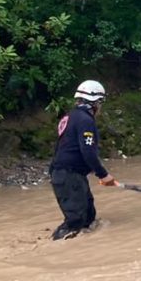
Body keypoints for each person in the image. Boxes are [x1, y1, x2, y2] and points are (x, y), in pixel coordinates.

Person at [49, 80, 117, 240]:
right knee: (75, 222)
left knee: (89, 217)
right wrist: (103, 175)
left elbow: (70, 148)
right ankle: (54, 249)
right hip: (68, 175)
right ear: (95, 102)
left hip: (70, 174)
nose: (100, 107)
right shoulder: (85, 120)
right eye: (101, 102)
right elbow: (88, 151)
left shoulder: (71, 116)